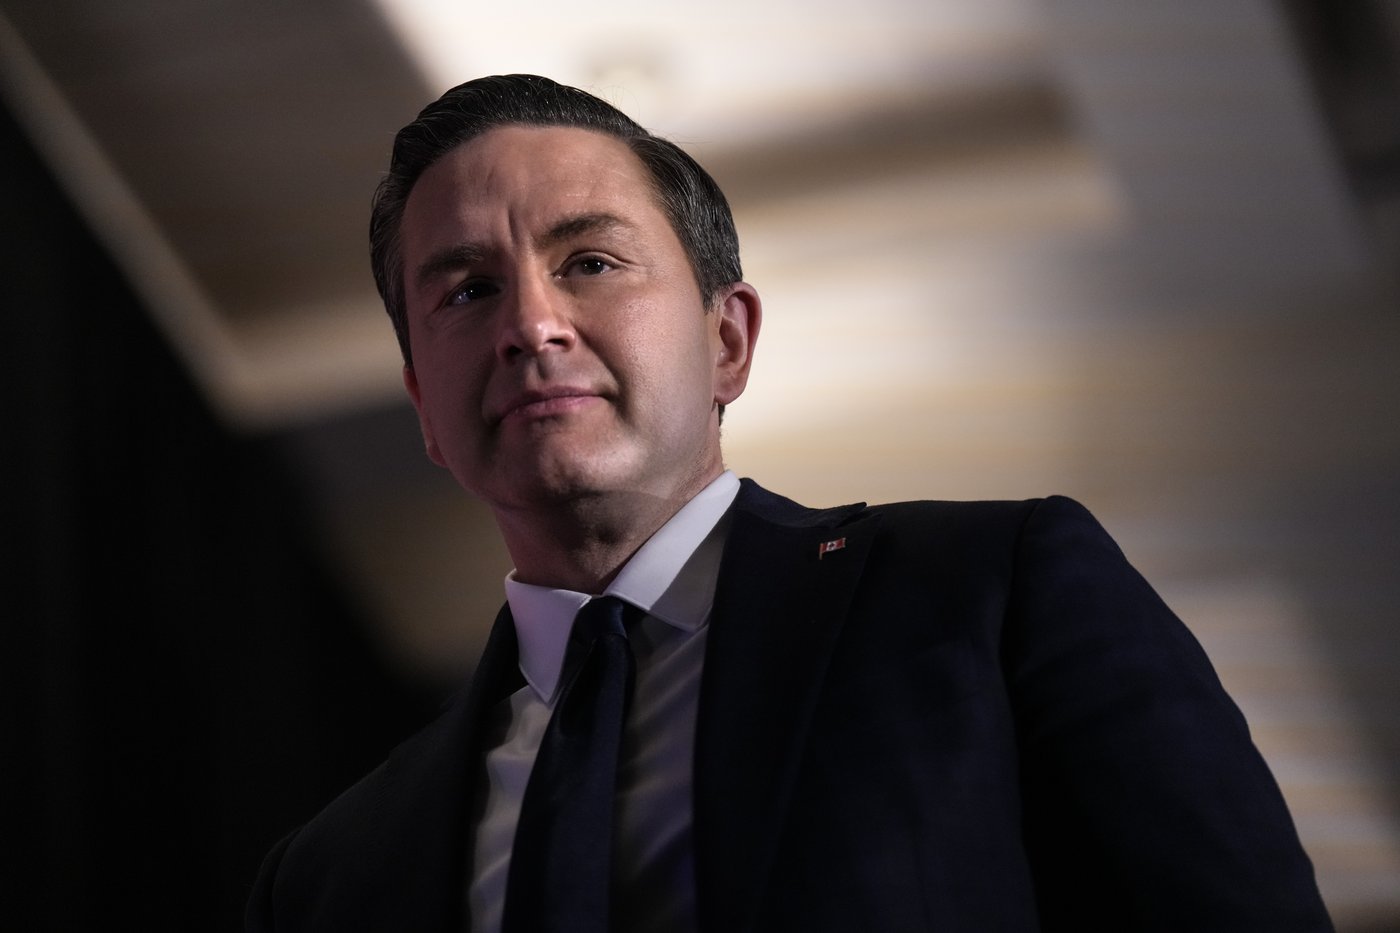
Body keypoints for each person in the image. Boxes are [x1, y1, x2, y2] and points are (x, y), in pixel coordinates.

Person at [247, 74, 1333, 932]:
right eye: (469, 289)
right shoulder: (329, 876)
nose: (531, 325)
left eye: (590, 261)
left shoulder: (994, 594)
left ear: (726, 340)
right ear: (425, 410)